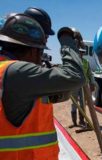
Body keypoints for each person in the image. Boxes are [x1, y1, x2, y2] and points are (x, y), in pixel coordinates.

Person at [0, 14, 85, 160]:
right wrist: (66, 38)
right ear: (34, 50)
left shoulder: (5, 70)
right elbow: (75, 76)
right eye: (41, 51)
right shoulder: (18, 71)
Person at [69, 30, 96, 128]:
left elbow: (90, 74)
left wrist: (92, 83)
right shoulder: (72, 61)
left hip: (84, 85)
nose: (81, 54)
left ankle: (81, 121)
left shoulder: (86, 62)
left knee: (82, 104)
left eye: (82, 53)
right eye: (79, 52)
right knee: (74, 103)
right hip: (75, 85)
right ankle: (74, 122)